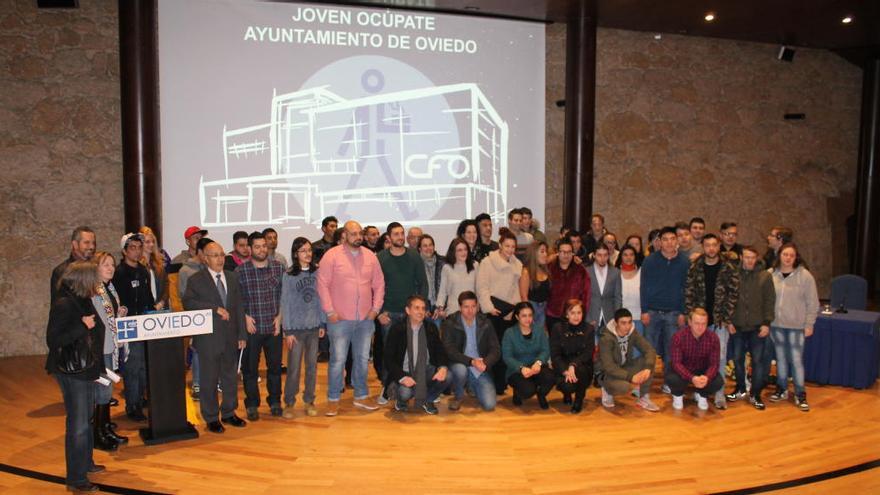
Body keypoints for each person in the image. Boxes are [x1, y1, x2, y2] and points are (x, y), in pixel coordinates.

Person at [46, 261, 106, 493]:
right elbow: (53, 340)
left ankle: (86, 463)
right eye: (95, 279)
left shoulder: (83, 299)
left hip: (85, 368)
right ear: (84, 280)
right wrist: (82, 327)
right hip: (72, 372)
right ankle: (76, 479)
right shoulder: (64, 304)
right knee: (78, 425)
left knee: (85, 420)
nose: (98, 284)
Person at [316, 220, 385, 416]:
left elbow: (379, 284)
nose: (358, 237)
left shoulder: (370, 256)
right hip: (339, 320)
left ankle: (361, 396)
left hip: (365, 319)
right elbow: (322, 284)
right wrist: (329, 311)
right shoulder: (332, 256)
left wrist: (375, 309)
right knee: (338, 360)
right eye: (353, 233)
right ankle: (333, 399)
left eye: (359, 233)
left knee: (362, 359)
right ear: (344, 235)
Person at [182, 241, 248, 433]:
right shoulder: (196, 279)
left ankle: (229, 412)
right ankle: (211, 417)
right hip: (208, 338)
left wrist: (242, 334)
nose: (220, 259)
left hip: (231, 336)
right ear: (205, 258)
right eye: (215, 255)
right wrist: (213, 309)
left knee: (230, 377)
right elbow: (189, 303)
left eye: (221, 254)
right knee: (209, 380)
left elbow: (239, 307)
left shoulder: (232, 277)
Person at [684, 233, 740, 409]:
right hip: (699, 321)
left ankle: (719, 394)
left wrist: (726, 317)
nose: (711, 248)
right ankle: (700, 391)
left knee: (720, 358)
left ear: (719, 246)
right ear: (703, 247)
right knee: (698, 356)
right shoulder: (695, 267)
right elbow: (689, 292)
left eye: (714, 245)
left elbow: (734, 294)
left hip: (719, 322)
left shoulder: (728, 267)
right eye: (707, 245)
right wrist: (690, 317)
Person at [236, 231, 285, 420]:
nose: (262, 249)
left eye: (264, 245)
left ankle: (274, 402)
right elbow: (236, 300)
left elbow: (284, 296)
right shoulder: (241, 272)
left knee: (274, 368)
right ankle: (252, 404)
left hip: (273, 326)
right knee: (250, 369)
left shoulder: (279, 268)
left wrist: (280, 317)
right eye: (257, 246)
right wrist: (245, 317)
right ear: (249, 249)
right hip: (252, 327)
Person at [376, 222, 428, 398]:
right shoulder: (380, 257)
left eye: (402, 233)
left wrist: (421, 309)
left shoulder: (414, 256)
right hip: (388, 314)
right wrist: (379, 312)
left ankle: (413, 386)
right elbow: (374, 287)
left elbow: (423, 284)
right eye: (396, 234)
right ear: (389, 237)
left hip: (410, 315)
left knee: (411, 351)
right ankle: (387, 388)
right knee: (389, 354)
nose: (400, 237)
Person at [768, 244, 818, 412]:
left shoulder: (805, 276)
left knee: (796, 360)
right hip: (776, 325)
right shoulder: (771, 274)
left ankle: (800, 393)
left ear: (796, 257)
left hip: (796, 326)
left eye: (791, 255)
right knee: (780, 359)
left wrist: (809, 324)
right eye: (785, 254)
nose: (788, 258)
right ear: (779, 255)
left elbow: (813, 302)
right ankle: (781, 388)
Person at [280, 237, 326, 418]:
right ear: (295, 254)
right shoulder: (289, 275)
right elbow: (286, 303)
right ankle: (289, 402)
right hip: (296, 331)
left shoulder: (318, 273)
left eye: (309, 250)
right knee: (293, 368)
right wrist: (288, 331)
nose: (307, 254)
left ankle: (309, 400)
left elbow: (322, 299)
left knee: (312, 367)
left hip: (314, 327)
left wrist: (322, 322)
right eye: (303, 251)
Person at [726, 246, 775, 410]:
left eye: (753, 257)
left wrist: (767, 323)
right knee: (738, 360)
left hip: (757, 327)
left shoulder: (765, 277)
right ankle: (740, 388)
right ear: (741, 257)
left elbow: (769, 301)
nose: (750, 260)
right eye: (747, 257)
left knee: (758, 362)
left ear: (757, 258)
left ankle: (755, 393)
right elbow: (727, 300)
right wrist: (729, 321)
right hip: (737, 327)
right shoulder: (733, 275)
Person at [384, 295, 451, 414]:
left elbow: (440, 351)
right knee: (405, 393)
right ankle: (401, 401)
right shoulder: (397, 329)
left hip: (425, 371)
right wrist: (402, 377)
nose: (421, 312)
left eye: (423, 308)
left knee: (448, 376)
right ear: (408, 310)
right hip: (404, 372)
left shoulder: (430, 328)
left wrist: (443, 368)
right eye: (417, 308)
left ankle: (428, 399)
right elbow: (388, 359)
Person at [112, 233, 154, 422]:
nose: (137, 251)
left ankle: (142, 398)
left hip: (145, 324)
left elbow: (148, 298)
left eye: (139, 247)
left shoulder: (144, 271)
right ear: (124, 251)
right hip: (129, 326)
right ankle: (132, 404)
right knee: (132, 366)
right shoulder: (119, 273)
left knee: (145, 365)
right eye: (132, 248)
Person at [91, 252, 129, 451]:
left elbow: (111, 313)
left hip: (111, 345)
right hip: (101, 347)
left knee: (107, 391)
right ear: (95, 267)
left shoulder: (110, 288)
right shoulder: (93, 290)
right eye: (105, 264)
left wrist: (120, 312)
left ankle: (105, 428)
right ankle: (97, 434)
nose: (111, 268)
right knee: (102, 390)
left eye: (112, 264)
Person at [476, 230, 522, 394]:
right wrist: (489, 308)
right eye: (507, 245)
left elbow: (515, 290)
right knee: (492, 351)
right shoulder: (488, 262)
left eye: (513, 246)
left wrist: (515, 310)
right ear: (500, 245)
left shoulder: (517, 265)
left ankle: (502, 384)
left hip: (509, 313)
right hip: (492, 313)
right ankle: (490, 384)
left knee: (506, 349)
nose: (510, 249)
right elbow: (482, 288)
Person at [640, 226, 689, 381]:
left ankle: (670, 382)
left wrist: (683, 312)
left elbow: (687, 288)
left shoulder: (684, 262)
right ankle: (645, 384)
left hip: (674, 313)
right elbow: (644, 286)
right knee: (649, 351)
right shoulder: (650, 260)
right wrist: (644, 310)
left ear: (677, 241)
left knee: (672, 351)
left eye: (672, 239)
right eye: (665, 239)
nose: (669, 242)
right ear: (659, 242)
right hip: (652, 312)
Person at [441, 291, 499, 412]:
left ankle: (471, 384)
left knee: (490, 405)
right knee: (461, 371)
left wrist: (486, 363)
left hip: (479, 367)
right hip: (459, 363)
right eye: (466, 307)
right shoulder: (450, 323)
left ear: (478, 307)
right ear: (460, 308)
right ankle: (458, 396)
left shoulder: (486, 323)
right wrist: (471, 361)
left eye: (473, 306)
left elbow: (495, 349)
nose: (470, 310)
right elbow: (449, 350)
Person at [598, 308, 659, 411]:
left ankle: (643, 397)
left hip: (625, 367)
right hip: (608, 374)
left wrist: (647, 368)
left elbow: (649, 350)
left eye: (630, 322)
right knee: (624, 387)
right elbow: (609, 367)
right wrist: (631, 377)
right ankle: (607, 390)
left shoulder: (632, 332)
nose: (627, 326)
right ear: (616, 323)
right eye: (623, 323)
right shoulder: (606, 338)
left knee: (648, 361)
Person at [666, 308, 724, 411]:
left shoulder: (713, 338)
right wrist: (692, 378)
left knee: (718, 381)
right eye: (697, 323)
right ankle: (677, 395)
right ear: (689, 322)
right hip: (684, 369)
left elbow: (714, 364)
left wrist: (706, 377)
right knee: (672, 378)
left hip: (702, 371)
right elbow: (676, 363)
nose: (700, 327)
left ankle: (702, 395)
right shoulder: (678, 337)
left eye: (703, 323)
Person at [502, 302, 555, 409]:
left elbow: (545, 350)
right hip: (517, 370)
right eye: (524, 316)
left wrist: (538, 362)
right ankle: (518, 392)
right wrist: (521, 368)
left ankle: (541, 394)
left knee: (552, 377)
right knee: (528, 391)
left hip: (536, 366)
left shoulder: (539, 330)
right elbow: (507, 357)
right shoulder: (509, 333)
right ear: (517, 317)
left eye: (530, 315)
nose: (528, 319)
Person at [178, 236, 212, 399]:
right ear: (199, 252)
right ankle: (197, 383)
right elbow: (183, 295)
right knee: (198, 350)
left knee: (213, 349)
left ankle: (213, 381)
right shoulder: (186, 270)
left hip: (214, 315)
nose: (210, 257)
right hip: (196, 316)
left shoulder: (212, 269)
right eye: (207, 253)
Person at [550, 299, 594, 413]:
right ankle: (567, 393)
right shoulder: (557, 328)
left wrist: (573, 365)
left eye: (579, 313)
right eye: (572, 313)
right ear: (566, 314)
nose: (576, 316)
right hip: (563, 366)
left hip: (582, 365)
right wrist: (565, 370)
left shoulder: (589, 329)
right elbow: (555, 355)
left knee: (582, 371)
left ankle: (579, 400)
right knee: (567, 386)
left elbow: (588, 353)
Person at [546, 239, 591, 333]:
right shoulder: (549, 269)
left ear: (573, 253)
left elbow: (586, 294)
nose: (566, 255)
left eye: (569, 252)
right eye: (563, 252)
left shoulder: (580, 270)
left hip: (574, 316)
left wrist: (582, 313)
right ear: (557, 253)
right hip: (553, 315)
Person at [51, 226, 96, 304]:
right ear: (75, 244)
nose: (92, 247)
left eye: (93, 243)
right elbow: (59, 306)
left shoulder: (96, 268)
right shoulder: (62, 271)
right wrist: (80, 317)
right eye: (87, 242)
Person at [436, 238, 479, 315]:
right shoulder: (447, 268)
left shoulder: (475, 265)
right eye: (459, 250)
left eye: (465, 249)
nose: (463, 252)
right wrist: (440, 308)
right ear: (453, 252)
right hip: (453, 312)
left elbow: (479, 290)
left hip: (471, 312)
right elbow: (442, 292)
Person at [587, 244, 622, 330]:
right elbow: (582, 297)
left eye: (605, 255)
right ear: (594, 255)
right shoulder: (586, 272)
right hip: (591, 317)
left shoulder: (615, 272)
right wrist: (586, 318)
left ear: (608, 255)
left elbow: (618, 297)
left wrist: (616, 318)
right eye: (599, 255)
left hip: (610, 318)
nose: (602, 258)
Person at [519, 241, 550, 333]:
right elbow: (524, 297)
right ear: (534, 253)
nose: (545, 254)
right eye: (542, 251)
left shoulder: (545, 270)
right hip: (532, 308)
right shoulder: (526, 272)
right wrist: (528, 316)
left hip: (544, 308)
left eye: (546, 251)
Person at [616, 245, 644, 339]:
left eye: (631, 255)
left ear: (635, 256)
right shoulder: (615, 273)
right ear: (621, 257)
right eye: (625, 255)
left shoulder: (642, 272)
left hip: (638, 317)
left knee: (637, 351)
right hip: (620, 319)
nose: (628, 257)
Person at [139, 226, 168, 312]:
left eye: (153, 241)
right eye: (147, 242)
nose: (151, 244)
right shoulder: (137, 266)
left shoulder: (159, 264)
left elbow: (166, 285)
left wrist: (161, 303)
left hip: (161, 308)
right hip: (144, 310)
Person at [418, 234, 445, 325]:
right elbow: (415, 288)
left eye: (430, 245)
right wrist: (423, 307)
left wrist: (440, 307)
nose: (428, 248)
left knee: (436, 337)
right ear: (419, 249)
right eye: (425, 246)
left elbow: (445, 287)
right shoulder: (416, 263)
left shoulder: (443, 262)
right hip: (421, 307)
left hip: (439, 307)